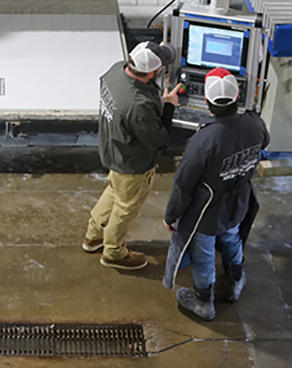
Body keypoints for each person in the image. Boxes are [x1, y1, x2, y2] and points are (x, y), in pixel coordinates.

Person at [162, 67, 270, 320]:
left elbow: (183, 185)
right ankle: (234, 283)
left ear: (207, 102)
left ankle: (203, 303)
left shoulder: (204, 141)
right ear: (238, 97)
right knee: (232, 239)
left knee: (204, 254)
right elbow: (263, 143)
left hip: (206, 212)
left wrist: (171, 216)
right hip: (238, 201)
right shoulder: (255, 124)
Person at [83, 41, 182, 270]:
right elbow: (158, 140)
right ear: (152, 72)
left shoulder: (116, 70)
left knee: (114, 192)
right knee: (126, 207)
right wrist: (169, 107)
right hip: (133, 163)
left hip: (114, 150)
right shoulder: (138, 106)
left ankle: (93, 235)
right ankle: (114, 252)